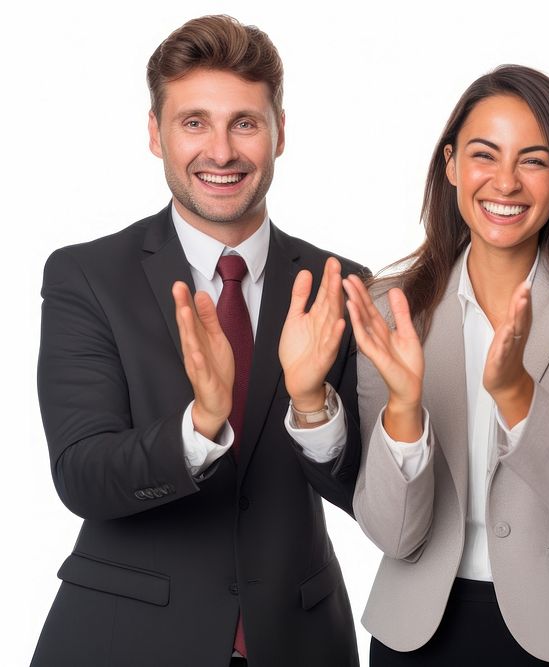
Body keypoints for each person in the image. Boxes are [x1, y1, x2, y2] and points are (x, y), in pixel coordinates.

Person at [32, 15, 365, 666]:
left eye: (245, 121)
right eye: (194, 122)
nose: (221, 151)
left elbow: (372, 496)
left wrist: (311, 407)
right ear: (155, 133)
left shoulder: (339, 285)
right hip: (124, 640)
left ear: (279, 132)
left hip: (298, 643)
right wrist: (200, 425)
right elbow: (82, 473)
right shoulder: (87, 276)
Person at [343, 65, 549, 666]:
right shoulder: (391, 307)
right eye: (485, 155)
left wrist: (517, 396)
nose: (505, 183)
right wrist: (404, 409)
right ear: (452, 165)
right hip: (418, 629)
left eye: (533, 160)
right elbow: (391, 532)